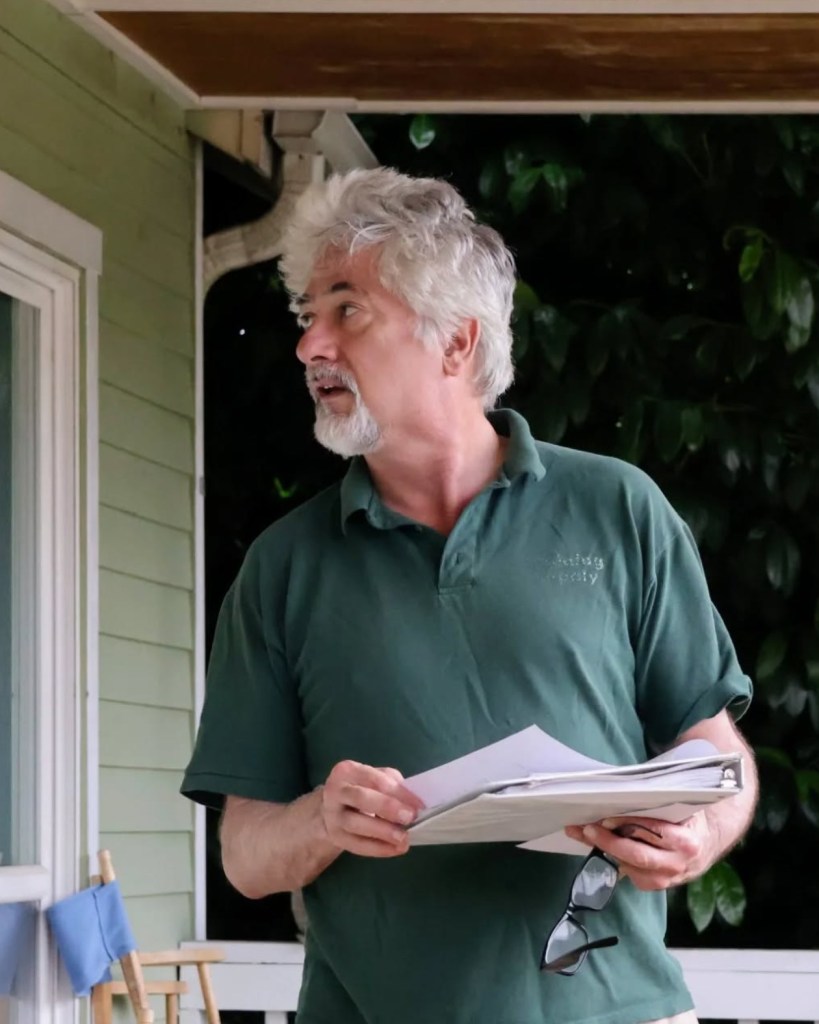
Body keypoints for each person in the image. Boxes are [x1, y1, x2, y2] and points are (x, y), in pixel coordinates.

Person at [181, 167, 757, 1024]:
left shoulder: (616, 508)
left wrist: (697, 836)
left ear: (455, 343)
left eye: (347, 310)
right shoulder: (284, 566)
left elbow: (716, 750)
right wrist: (322, 820)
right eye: (307, 315)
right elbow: (245, 854)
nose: (310, 346)